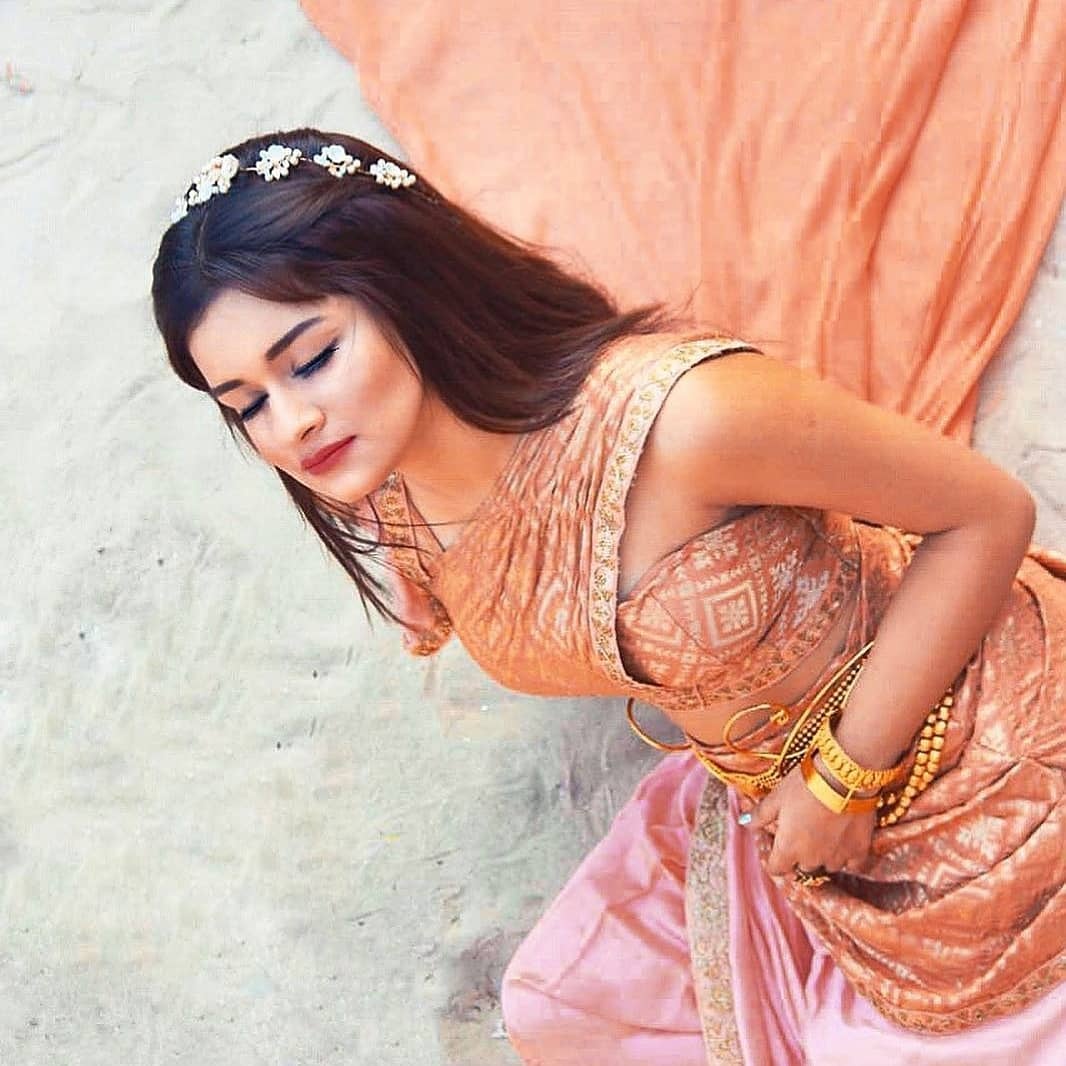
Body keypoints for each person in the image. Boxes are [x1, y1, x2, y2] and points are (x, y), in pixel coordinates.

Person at [152, 128, 1066, 1065]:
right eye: (245, 404)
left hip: (976, 747)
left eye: (311, 359)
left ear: (409, 285)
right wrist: (420, 563)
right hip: (782, 812)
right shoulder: (393, 480)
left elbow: (988, 514)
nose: (293, 424)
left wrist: (844, 778)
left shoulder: (686, 421)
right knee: (559, 1001)